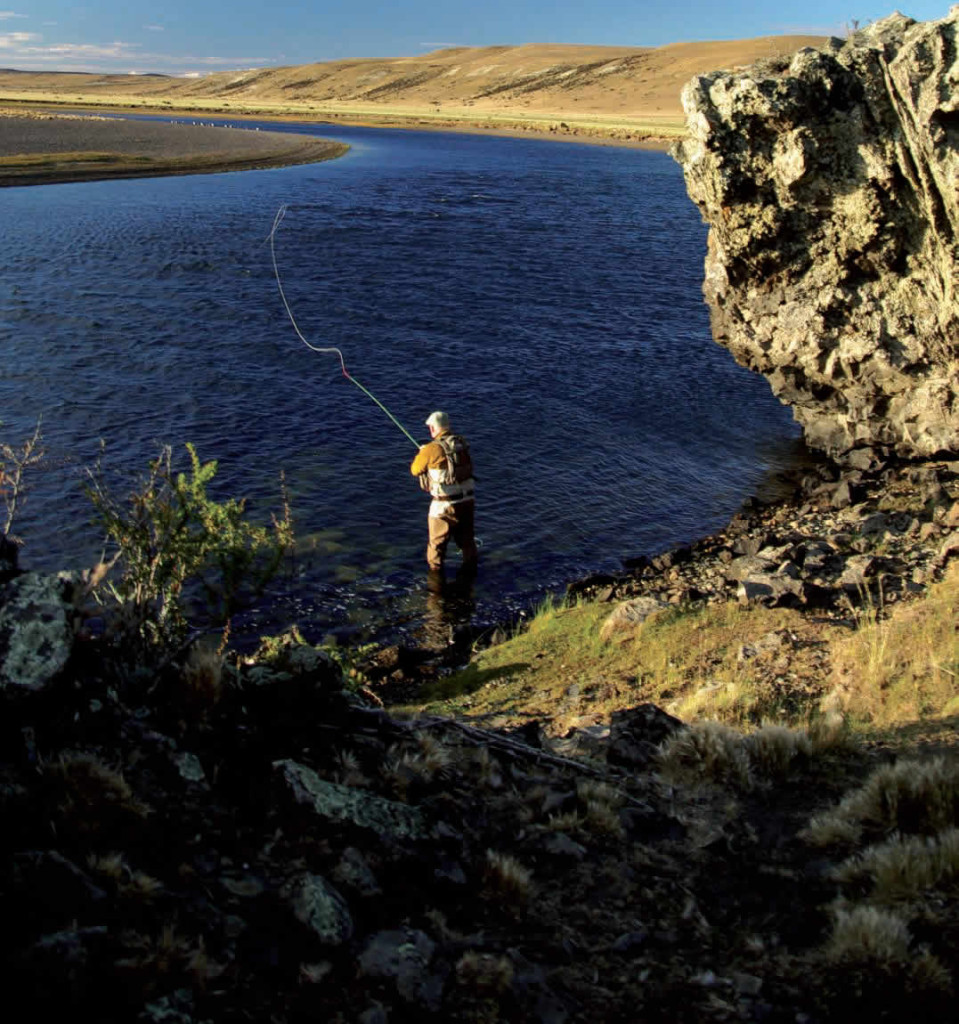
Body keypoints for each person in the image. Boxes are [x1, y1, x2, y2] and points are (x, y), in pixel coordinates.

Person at [410, 411, 477, 574]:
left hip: (443, 506)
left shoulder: (431, 449)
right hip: (467, 501)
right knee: (467, 543)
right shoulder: (461, 443)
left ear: (433, 428)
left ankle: (436, 585)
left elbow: (415, 470)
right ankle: (471, 579)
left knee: (436, 550)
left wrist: (422, 452)